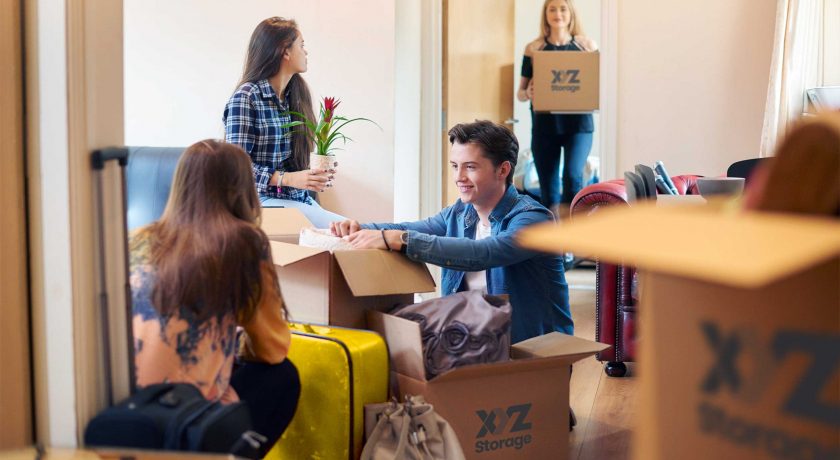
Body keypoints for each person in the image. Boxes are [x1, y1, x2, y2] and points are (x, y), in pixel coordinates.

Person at [130, 139, 300, 456]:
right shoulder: (243, 242)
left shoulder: (139, 237)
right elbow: (272, 348)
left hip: (124, 411)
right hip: (180, 423)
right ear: (242, 191)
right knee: (282, 377)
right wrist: (233, 344)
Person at [331, 120, 572, 343]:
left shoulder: (534, 219)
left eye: (470, 167)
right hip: (476, 342)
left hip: (533, 348)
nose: (459, 177)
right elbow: (408, 228)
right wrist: (359, 228)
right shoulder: (458, 214)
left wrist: (400, 240)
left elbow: (485, 253)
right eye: (455, 166)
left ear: (503, 170)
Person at [224, 17, 345, 228]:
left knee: (353, 231)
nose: (306, 52)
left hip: (295, 200)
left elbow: (291, 163)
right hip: (258, 203)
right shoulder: (246, 97)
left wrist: (315, 173)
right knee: (351, 231)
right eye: (302, 45)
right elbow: (235, 169)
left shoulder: (296, 95)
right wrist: (288, 179)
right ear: (285, 51)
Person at [517, 0, 598, 219]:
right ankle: (553, 237)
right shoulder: (534, 48)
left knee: (573, 178)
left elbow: (595, 85)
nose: (558, 14)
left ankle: (573, 233)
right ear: (545, 14)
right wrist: (528, 92)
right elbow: (520, 93)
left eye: (563, 9)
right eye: (552, 9)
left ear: (571, 14)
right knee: (549, 189)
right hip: (545, 127)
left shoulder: (587, 46)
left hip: (579, 126)